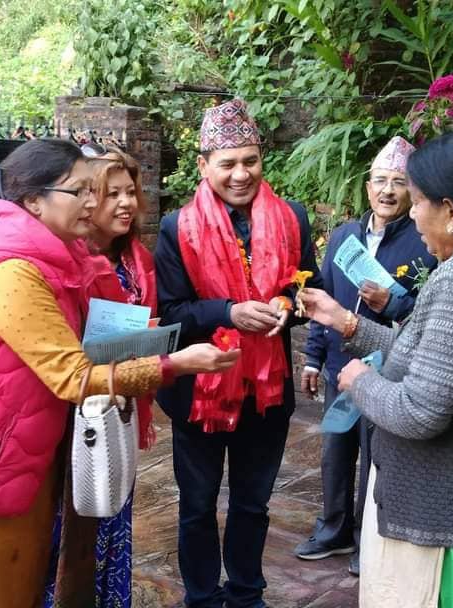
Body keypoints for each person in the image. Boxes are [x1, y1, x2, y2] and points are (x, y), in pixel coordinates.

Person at [0, 138, 238, 608]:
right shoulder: (11, 271)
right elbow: (72, 375)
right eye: (80, 191)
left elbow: (84, 346)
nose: (93, 201)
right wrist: (175, 363)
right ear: (34, 201)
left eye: (94, 189)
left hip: (12, 461)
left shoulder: (61, 262)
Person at [298, 132, 453, 607]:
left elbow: (420, 411)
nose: (411, 214)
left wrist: (360, 381)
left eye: (417, 201)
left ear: (450, 211)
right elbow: (435, 355)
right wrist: (348, 323)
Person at [154, 99, 323, 608]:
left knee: (253, 503)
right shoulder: (177, 227)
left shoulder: (292, 218)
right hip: (200, 390)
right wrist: (228, 312)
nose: (241, 174)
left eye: (250, 160)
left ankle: (247, 594)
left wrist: (286, 304)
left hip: (266, 392)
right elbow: (172, 312)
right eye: (227, 163)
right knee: (198, 504)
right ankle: (203, 597)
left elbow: (305, 284)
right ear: (204, 165)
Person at [296, 136, 436, 577]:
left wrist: (391, 304)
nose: (387, 191)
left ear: (412, 191)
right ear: (367, 186)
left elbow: (426, 317)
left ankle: (367, 541)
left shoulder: (424, 243)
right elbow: (324, 301)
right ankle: (333, 529)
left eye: (398, 182)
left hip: (387, 370)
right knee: (335, 451)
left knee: (377, 458)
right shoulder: (344, 236)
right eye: (380, 181)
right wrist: (313, 358)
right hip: (340, 367)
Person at [43, 147, 156, 607]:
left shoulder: (137, 259)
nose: (126, 203)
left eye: (131, 192)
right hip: (73, 412)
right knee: (68, 529)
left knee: (112, 509)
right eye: (113, 194)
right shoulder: (67, 260)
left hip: (118, 407)